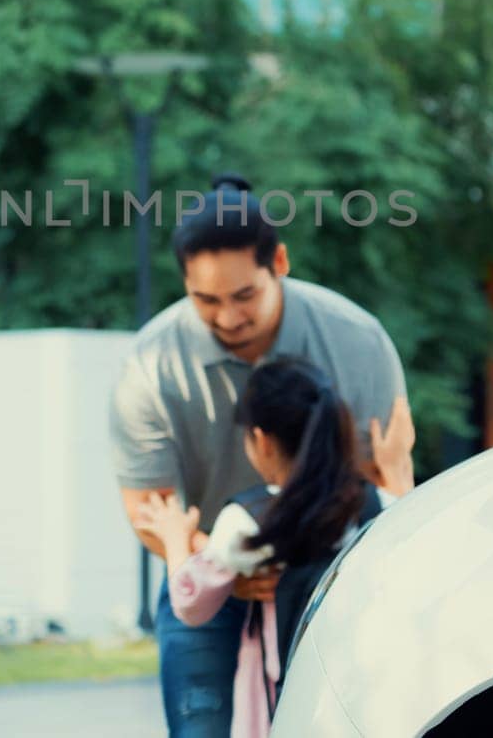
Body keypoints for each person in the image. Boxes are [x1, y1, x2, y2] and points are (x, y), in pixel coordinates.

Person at [110, 173, 415, 737]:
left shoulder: (357, 340)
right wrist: (228, 568)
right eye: (206, 300)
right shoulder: (150, 364)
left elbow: (382, 480)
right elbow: (150, 509)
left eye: (244, 295)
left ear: (279, 262)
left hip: (329, 574)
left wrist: (299, 561)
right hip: (209, 562)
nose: (228, 319)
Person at [133, 358, 402, 738]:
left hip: (283, 696)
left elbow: (190, 603)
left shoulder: (250, 522)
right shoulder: (380, 508)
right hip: (359, 689)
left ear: (260, 439)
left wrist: (176, 537)